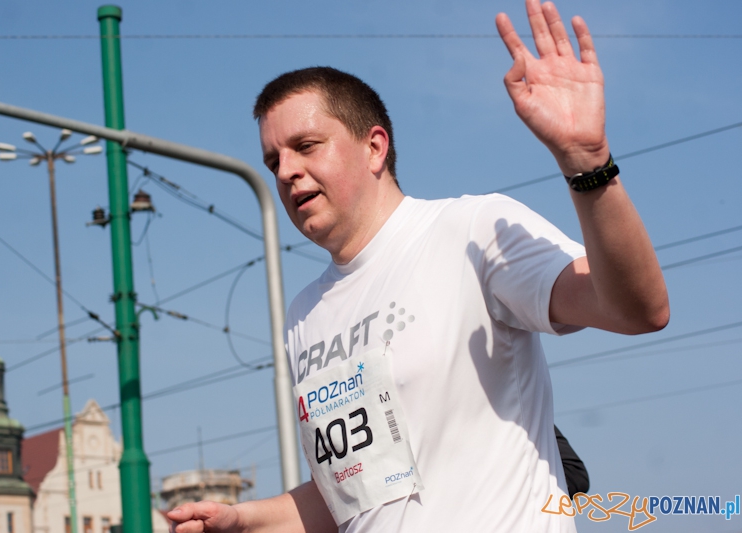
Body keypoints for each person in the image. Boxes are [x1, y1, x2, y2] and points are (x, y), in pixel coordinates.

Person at [168, 0, 668, 531]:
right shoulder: (303, 314)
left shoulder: (471, 229)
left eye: (306, 146)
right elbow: (355, 496)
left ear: (375, 147)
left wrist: (588, 164)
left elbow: (638, 309)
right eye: (273, 161)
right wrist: (242, 520)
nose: (287, 171)